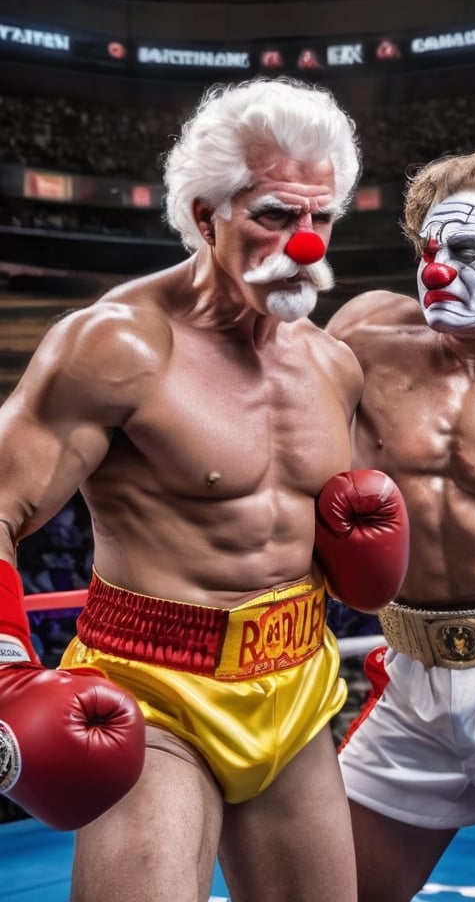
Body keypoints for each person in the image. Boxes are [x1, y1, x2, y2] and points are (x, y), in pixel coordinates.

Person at [0, 77, 410, 902]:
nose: (304, 244)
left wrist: (363, 562)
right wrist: (5, 666)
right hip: (153, 695)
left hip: (296, 684)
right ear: (203, 215)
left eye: (320, 217)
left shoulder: (333, 365)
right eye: (273, 215)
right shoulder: (117, 346)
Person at [327, 148, 475, 902]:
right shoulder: (366, 339)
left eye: (469, 248)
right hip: (413, 683)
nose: (438, 268)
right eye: (429, 248)